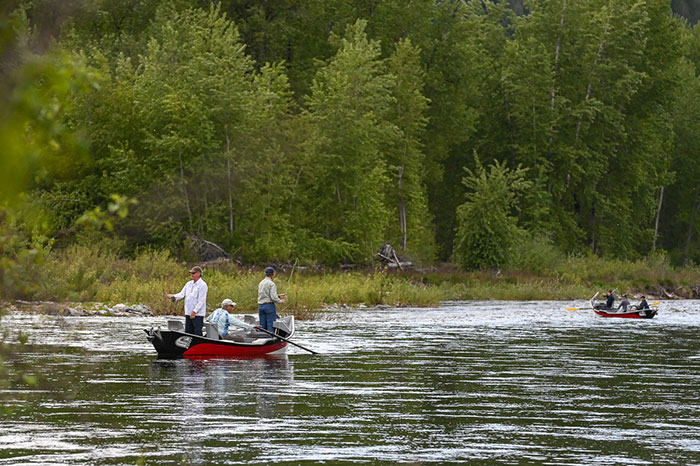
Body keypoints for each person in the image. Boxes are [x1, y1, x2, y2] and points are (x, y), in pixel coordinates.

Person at [166, 266, 208, 336]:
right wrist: (174, 296)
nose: (192, 275)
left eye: (193, 273)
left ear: (198, 274)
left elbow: (201, 301)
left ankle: (198, 345)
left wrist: (194, 311)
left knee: (197, 332)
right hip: (188, 312)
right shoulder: (188, 284)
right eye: (191, 273)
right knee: (188, 332)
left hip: (197, 314)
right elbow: (182, 294)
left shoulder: (203, 285)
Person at [257, 267, 286, 334]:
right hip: (269, 306)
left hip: (261, 306)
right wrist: (281, 301)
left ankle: (261, 340)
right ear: (273, 274)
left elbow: (264, 295)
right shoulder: (271, 284)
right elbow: (273, 297)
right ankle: (270, 340)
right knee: (271, 326)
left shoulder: (261, 283)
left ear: (265, 274)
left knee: (262, 327)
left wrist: (278, 295)